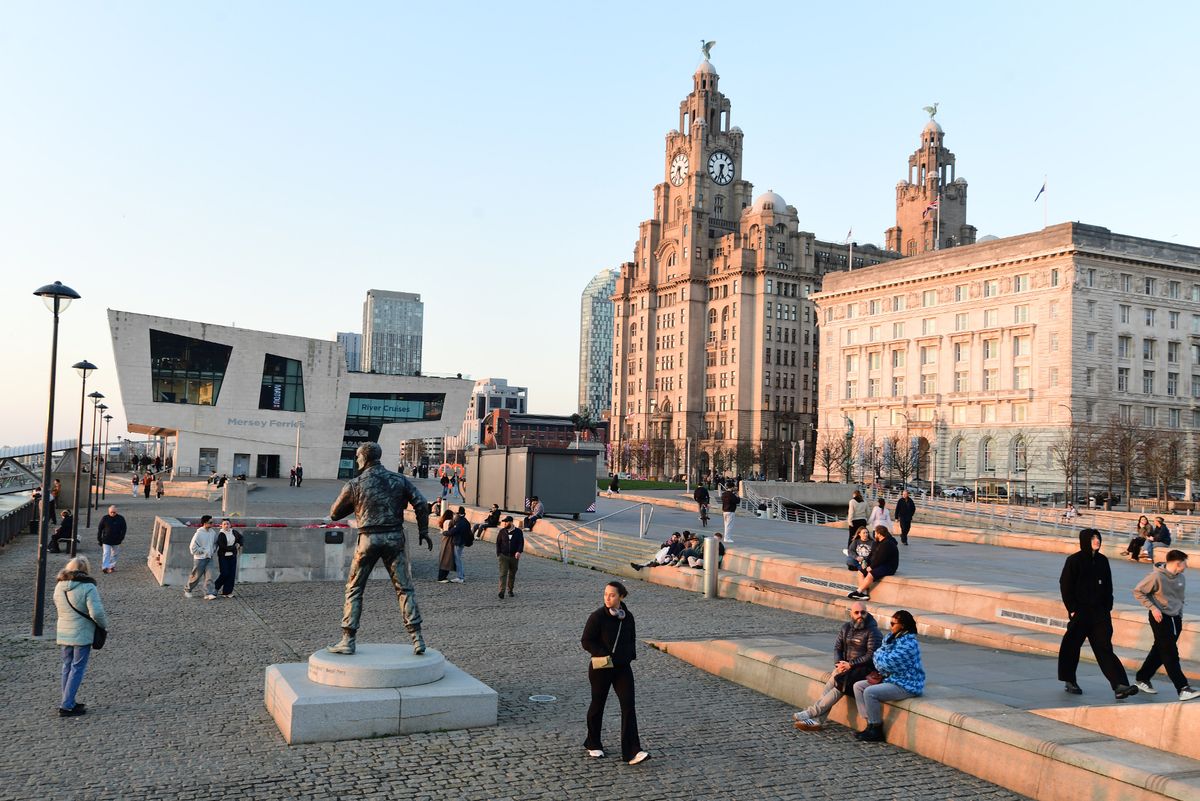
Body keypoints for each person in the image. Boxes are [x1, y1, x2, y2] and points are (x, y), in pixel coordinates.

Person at [327, 442, 433, 656]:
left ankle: (348, 639)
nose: (357, 460)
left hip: (368, 539)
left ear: (364, 458)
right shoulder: (399, 479)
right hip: (394, 538)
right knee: (405, 589)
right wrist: (423, 531)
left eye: (358, 456)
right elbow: (421, 503)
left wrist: (357, 503)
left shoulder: (355, 484)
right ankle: (417, 638)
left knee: (355, 588)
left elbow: (334, 514)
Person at [1057, 529, 1138, 699]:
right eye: (1093, 538)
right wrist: (1072, 608)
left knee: (1104, 648)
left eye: (1098, 537)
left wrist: (1107, 606)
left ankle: (1120, 685)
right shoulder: (1074, 560)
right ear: (1085, 540)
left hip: (1100, 614)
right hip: (1080, 613)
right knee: (1071, 647)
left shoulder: (1102, 561)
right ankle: (1069, 680)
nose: (1096, 540)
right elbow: (1065, 585)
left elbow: (1108, 585)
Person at [581, 581, 649, 765]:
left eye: (612, 595)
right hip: (602, 667)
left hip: (622, 668)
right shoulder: (597, 617)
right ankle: (593, 743)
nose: (607, 598)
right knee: (598, 704)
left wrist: (628, 658)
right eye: (605, 594)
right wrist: (605, 653)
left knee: (628, 705)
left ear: (621, 596)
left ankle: (633, 751)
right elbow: (586, 641)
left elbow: (630, 640)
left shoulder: (628, 617)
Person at [793, 601, 883, 730]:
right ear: (851, 613)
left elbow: (871, 656)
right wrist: (839, 664)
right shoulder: (846, 627)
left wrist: (850, 665)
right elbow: (837, 648)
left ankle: (811, 713)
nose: (860, 615)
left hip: (862, 671)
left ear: (867, 613)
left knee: (837, 688)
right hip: (845, 669)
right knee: (829, 687)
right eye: (856, 612)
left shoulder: (873, 632)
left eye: (863, 612)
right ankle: (818, 720)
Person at [1133, 549, 1198, 700]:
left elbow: (1179, 599)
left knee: (1160, 649)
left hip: (1175, 619)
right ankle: (1182, 688)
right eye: (1184, 563)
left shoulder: (1181, 577)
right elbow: (1138, 591)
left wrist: (1179, 616)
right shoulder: (1156, 576)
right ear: (1177, 563)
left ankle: (1142, 677)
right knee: (1170, 652)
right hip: (1159, 617)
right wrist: (1153, 608)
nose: (1186, 566)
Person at [851, 610, 925, 742]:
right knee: (858, 686)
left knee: (869, 692)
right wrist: (880, 658)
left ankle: (876, 730)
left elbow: (887, 663)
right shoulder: (891, 637)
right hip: (890, 679)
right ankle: (870, 724)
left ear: (902, 625)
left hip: (905, 684)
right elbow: (878, 654)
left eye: (893, 623)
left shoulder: (909, 643)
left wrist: (880, 658)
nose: (890, 626)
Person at [53, 556, 108, 717]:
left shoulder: (59, 586)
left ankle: (68, 700)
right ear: (85, 570)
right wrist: (102, 625)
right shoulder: (88, 587)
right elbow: (96, 612)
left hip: (64, 631)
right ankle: (67, 704)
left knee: (67, 666)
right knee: (77, 667)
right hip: (82, 632)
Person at [848, 526, 899, 601]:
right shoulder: (876, 542)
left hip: (888, 566)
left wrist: (871, 567)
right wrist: (866, 563)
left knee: (871, 573)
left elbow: (881, 558)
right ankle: (863, 593)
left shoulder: (888, 543)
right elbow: (871, 555)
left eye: (875, 533)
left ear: (879, 534)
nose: (874, 535)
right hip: (878, 564)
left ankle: (858, 591)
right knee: (861, 572)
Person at [184, 515, 219, 600]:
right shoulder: (199, 534)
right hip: (199, 559)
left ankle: (208, 593)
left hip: (209, 558)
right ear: (205, 523)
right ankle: (188, 589)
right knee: (196, 576)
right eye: (210, 522)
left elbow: (215, 543)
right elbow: (192, 548)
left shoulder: (212, 532)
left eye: (212, 522)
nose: (212, 524)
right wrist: (203, 551)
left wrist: (212, 550)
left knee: (210, 576)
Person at [213, 519, 243, 598]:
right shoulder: (221, 534)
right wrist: (234, 547)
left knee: (231, 574)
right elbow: (223, 547)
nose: (226, 525)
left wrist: (239, 544)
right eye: (224, 524)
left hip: (232, 556)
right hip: (223, 557)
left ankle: (227, 592)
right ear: (222, 525)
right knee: (225, 573)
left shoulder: (234, 532)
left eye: (227, 524)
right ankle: (215, 587)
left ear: (230, 525)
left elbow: (241, 538)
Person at [496, 515, 524, 598]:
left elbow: (521, 543)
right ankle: (501, 591)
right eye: (504, 522)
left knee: (512, 574)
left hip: (514, 557)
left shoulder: (518, 532)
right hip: (503, 556)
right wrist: (499, 553)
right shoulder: (502, 531)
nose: (504, 523)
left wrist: (519, 552)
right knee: (503, 574)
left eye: (506, 522)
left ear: (511, 522)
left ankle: (510, 590)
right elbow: (498, 543)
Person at [96, 505, 127, 574]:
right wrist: (99, 539)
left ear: (116, 512)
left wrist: (121, 538)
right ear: (108, 512)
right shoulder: (105, 518)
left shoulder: (121, 518)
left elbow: (124, 529)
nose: (113, 513)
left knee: (115, 554)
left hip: (116, 540)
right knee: (106, 553)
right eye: (111, 512)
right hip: (106, 539)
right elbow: (100, 529)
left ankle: (111, 566)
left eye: (114, 512)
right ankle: (105, 567)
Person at [436, 509, 457, 583]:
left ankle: (442, 576)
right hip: (448, 540)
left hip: (445, 540)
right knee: (447, 558)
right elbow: (451, 531)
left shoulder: (444, 521)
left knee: (445, 558)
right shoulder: (449, 521)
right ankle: (441, 577)